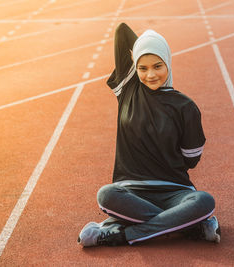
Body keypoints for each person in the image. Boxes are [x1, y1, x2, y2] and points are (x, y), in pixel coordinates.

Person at [78, 23, 220, 247]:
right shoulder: (128, 90)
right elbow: (121, 31)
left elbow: (191, 162)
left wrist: (150, 45)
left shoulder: (186, 107)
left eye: (158, 65)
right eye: (142, 68)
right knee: (106, 194)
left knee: (204, 201)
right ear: (134, 66)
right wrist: (145, 45)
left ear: (168, 63)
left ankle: (120, 234)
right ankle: (189, 226)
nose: (150, 74)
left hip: (176, 192)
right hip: (130, 192)